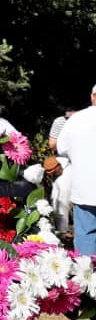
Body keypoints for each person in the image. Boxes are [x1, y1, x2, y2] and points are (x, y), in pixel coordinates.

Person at [56, 84, 96, 255]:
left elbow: (61, 148)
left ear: (93, 97)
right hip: (84, 187)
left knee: (86, 233)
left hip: (85, 187)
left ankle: (88, 278)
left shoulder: (76, 119)